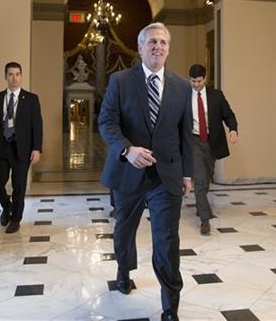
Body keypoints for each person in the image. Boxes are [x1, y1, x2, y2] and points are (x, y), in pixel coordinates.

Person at [98, 22, 193, 321]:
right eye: (152, 41)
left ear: (169, 48)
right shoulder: (120, 81)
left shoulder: (181, 86)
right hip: (128, 173)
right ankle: (124, 269)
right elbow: (107, 122)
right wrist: (128, 150)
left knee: (167, 239)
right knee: (124, 232)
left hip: (166, 176)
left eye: (163, 42)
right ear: (140, 48)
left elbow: (185, 134)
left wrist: (187, 174)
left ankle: (170, 305)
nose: (158, 47)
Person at [0, 62, 43, 234]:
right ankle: (6, 205)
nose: (14, 78)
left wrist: (36, 148)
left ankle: (15, 219)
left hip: (22, 149)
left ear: (21, 76)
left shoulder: (31, 99)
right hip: (0, 148)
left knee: (19, 186)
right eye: (10, 74)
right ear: (5, 77)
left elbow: (37, 126)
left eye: (17, 74)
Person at [188, 64, 238, 235]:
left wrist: (233, 130)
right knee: (200, 179)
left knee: (207, 176)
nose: (196, 84)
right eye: (193, 81)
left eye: (199, 81)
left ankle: (200, 205)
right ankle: (205, 219)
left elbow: (228, 114)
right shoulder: (184, 96)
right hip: (193, 140)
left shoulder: (216, 95)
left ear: (205, 78)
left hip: (212, 141)